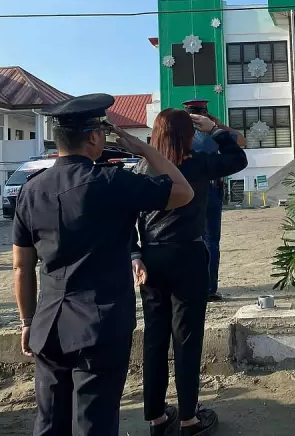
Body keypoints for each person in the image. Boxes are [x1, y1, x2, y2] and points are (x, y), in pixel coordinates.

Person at [12, 93, 194, 436]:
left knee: (50, 423)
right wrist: (144, 150)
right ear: (95, 136)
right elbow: (183, 192)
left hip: (48, 324)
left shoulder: (30, 190)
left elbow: (21, 267)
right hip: (99, 326)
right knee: (94, 423)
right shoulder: (112, 183)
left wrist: (26, 321)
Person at [133, 108, 247, 436]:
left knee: (155, 339)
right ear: (187, 135)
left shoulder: (142, 167)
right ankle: (188, 419)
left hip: (151, 260)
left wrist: (134, 253)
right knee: (187, 338)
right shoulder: (196, 163)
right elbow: (237, 159)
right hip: (188, 256)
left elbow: (126, 215)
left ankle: (156, 417)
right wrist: (214, 129)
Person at [183, 99, 246, 301]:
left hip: (188, 190)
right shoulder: (215, 134)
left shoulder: (183, 135)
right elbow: (241, 141)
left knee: (191, 238)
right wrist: (218, 126)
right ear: (206, 113)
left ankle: (193, 286)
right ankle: (210, 288)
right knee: (211, 241)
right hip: (211, 188)